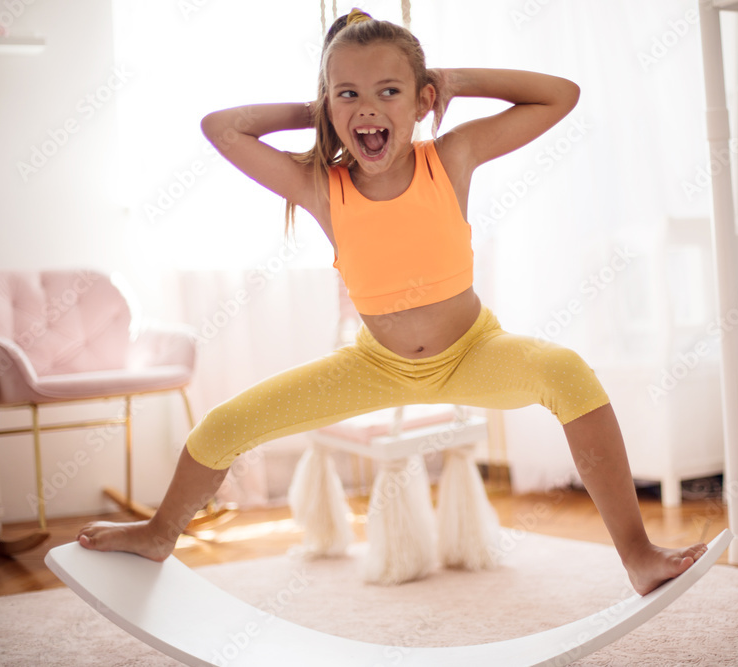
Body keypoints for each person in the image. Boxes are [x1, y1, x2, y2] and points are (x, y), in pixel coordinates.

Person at [79, 8, 706, 596]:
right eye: (347, 94)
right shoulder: (321, 188)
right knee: (221, 426)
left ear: (421, 99)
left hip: (473, 352)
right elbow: (221, 127)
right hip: (376, 365)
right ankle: (160, 535)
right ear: (330, 106)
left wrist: (455, 79)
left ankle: (636, 555)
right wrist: (317, 110)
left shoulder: (451, 156)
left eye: (389, 91)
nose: (368, 109)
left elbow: (560, 94)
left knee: (567, 373)